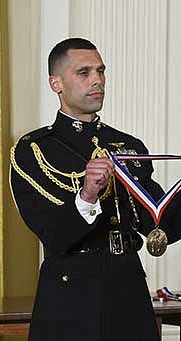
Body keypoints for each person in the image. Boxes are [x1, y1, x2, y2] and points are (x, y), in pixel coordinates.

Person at [10, 38, 181, 341]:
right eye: (84, 72)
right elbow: (52, 232)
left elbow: (157, 224)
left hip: (127, 286)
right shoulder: (33, 150)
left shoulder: (129, 146)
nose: (97, 80)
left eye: (101, 72)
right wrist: (87, 194)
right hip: (70, 295)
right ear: (56, 83)